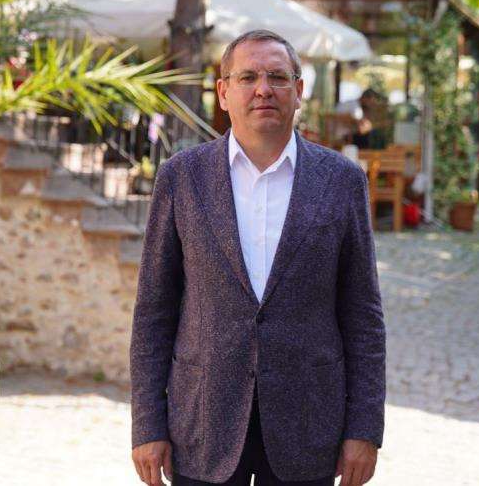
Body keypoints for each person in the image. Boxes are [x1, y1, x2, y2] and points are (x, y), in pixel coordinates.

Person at [130, 30, 386, 486]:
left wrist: (364, 429)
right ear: (223, 92)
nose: (263, 89)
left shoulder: (342, 181)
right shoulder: (181, 178)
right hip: (203, 423)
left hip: (308, 425)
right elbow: (154, 311)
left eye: (277, 77)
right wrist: (148, 425)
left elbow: (363, 314)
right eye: (247, 77)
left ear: (298, 91)